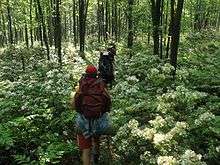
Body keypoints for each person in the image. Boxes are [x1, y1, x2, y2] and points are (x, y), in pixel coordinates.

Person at [72, 65, 111, 165]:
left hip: (83, 121)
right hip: (98, 120)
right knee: (96, 139)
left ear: (85, 74)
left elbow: (74, 105)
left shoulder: (80, 87)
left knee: (86, 150)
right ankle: (96, 157)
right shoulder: (101, 87)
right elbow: (108, 104)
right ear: (96, 75)